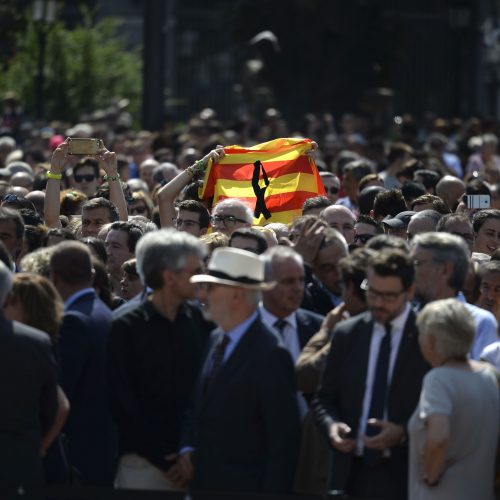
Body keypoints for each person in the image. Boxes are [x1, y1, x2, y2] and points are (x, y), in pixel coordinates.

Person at [174, 247, 301, 494]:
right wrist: (187, 448)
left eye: (211, 287)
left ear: (237, 295)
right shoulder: (215, 339)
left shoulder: (270, 353)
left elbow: (283, 445)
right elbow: (199, 406)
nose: (203, 294)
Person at [313, 248, 429, 500]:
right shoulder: (348, 333)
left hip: (406, 476)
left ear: (409, 292)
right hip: (349, 475)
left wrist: (403, 432)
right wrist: (332, 426)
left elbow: (439, 409)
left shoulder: (427, 337)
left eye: (388, 296)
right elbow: (324, 398)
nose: (377, 303)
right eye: (372, 292)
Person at [109, 229, 213, 491]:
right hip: (143, 466)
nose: (201, 278)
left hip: (196, 462)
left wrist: (191, 451)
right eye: (193, 272)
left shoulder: (201, 322)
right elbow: (121, 402)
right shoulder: (125, 326)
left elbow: (205, 392)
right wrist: (164, 459)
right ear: (169, 276)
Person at [409, 299, 499, 500]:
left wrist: (431, 476)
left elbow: (439, 436)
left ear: (431, 341)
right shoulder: (490, 375)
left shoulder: (438, 379)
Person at [49, 241, 117, 485]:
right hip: (102, 449)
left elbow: (60, 392)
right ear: (91, 275)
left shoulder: (73, 322)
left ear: (53, 277)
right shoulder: (104, 313)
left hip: (79, 453)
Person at [0, 260, 60, 489]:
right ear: (8, 297)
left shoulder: (34, 342)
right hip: (17, 467)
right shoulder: (35, 342)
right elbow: (50, 408)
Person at [411, 232, 499, 359]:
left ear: (445, 269)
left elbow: (483, 376)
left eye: (417, 263)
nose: (411, 270)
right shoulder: (405, 316)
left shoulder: (480, 323)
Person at [104, 221, 143, 296]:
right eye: (106, 245)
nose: (107, 252)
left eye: (115, 246)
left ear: (134, 254)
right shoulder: (96, 287)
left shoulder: (147, 291)